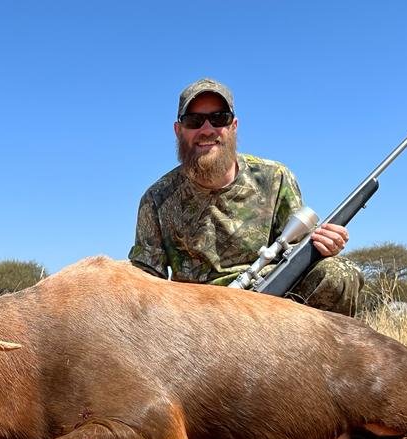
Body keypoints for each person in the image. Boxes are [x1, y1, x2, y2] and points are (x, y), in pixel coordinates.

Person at [128, 78, 363, 316]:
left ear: (234, 126)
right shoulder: (157, 198)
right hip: (196, 316)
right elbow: (145, 280)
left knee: (338, 274)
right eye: (194, 121)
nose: (207, 129)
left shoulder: (274, 177)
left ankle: (321, 354)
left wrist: (325, 245)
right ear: (179, 131)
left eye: (220, 118)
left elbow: (297, 254)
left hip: (270, 302)